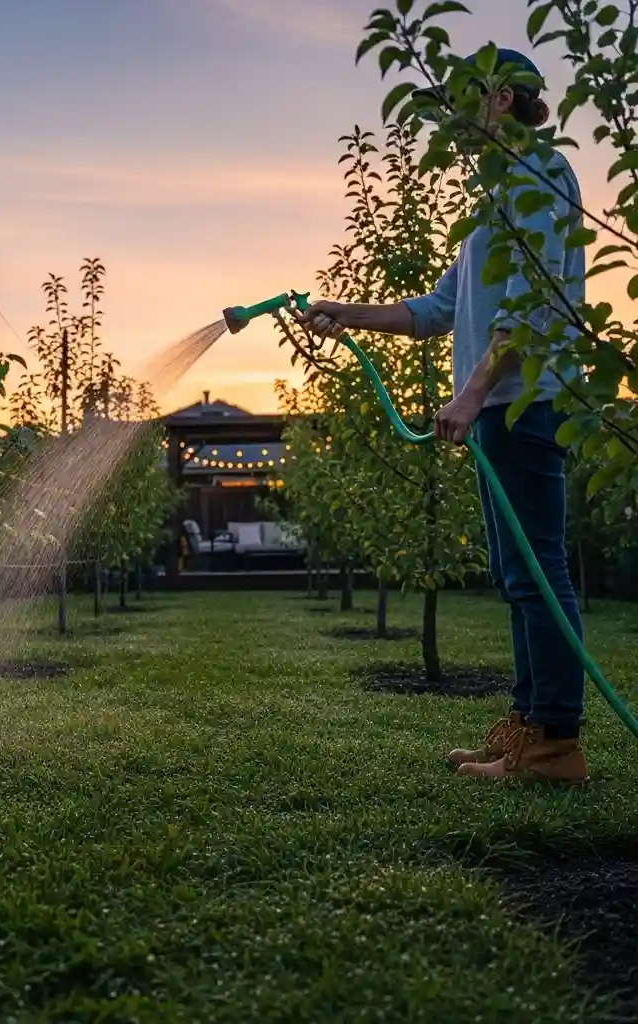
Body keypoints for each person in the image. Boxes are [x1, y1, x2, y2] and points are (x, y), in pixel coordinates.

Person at [295, 48, 589, 784]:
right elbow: (435, 309)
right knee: (516, 573)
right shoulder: (493, 198)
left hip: (527, 401)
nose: (449, 121)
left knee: (538, 570)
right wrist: (345, 312)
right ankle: (528, 728)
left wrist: (474, 390)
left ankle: (556, 743)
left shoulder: (536, 172)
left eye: (458, 102)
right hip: (498, 408)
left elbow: (534, 301)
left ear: (498, 98)